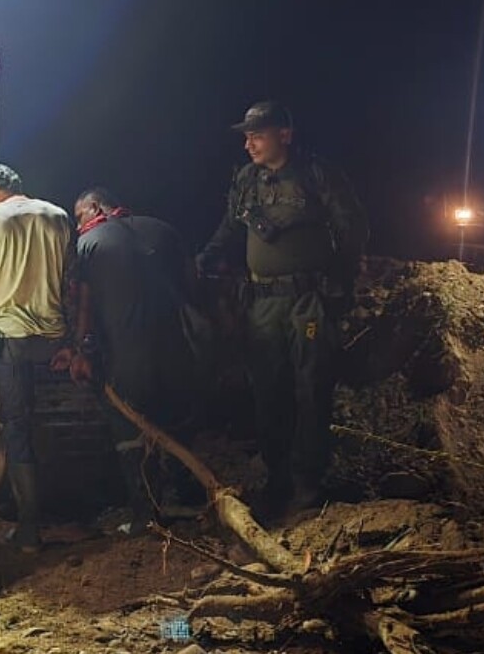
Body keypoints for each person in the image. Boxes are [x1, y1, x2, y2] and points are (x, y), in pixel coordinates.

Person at [196, 101, 368, 521]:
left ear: (285, 135)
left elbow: (353, 228)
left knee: (311, 391)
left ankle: (308, 486)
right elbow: (230, 225)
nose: (248, 142)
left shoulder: (315, 174)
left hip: (308, 300)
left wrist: (340, 284)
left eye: (258, 133)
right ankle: (278, 481)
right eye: (246, 135)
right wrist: (207, 256)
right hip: (262, 302)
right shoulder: (246, 180)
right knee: (268, 392)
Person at [67, 187, 206, 534]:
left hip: (126, 353)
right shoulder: (163, 229)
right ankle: (187, 500)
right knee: (177, 419)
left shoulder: (89, 243)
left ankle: (146, 515)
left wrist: (82, 351)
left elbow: (84, 304)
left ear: (95, 208)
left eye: (78, 216)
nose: (78, 224)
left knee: (128, 427)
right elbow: (193, 282)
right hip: (178, 349)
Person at [0, 163, 72, 550]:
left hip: (8, 335)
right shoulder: (58, 215)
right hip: (54, 334)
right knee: (56, 418)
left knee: (16, 423)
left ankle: (29, 525)